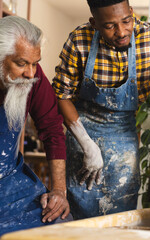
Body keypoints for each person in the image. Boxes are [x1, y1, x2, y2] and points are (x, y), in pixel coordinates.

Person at [52, 0, 150, 219]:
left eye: (126, 21)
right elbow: (61, 95)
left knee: (120, 212)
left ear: (132, 13)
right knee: (81, 210)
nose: (121, 31)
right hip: (82, 134)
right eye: (109, 26)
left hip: (124, 138)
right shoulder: (80, 39)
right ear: (94, 23)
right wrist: (86, 143)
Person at [0, 16, 70, 236]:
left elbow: (52, 129)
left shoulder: (33, 77)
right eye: (21, 63)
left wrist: (59, 190)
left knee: (58, 226)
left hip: (10, 179)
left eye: (35, 63)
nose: (31, 73)